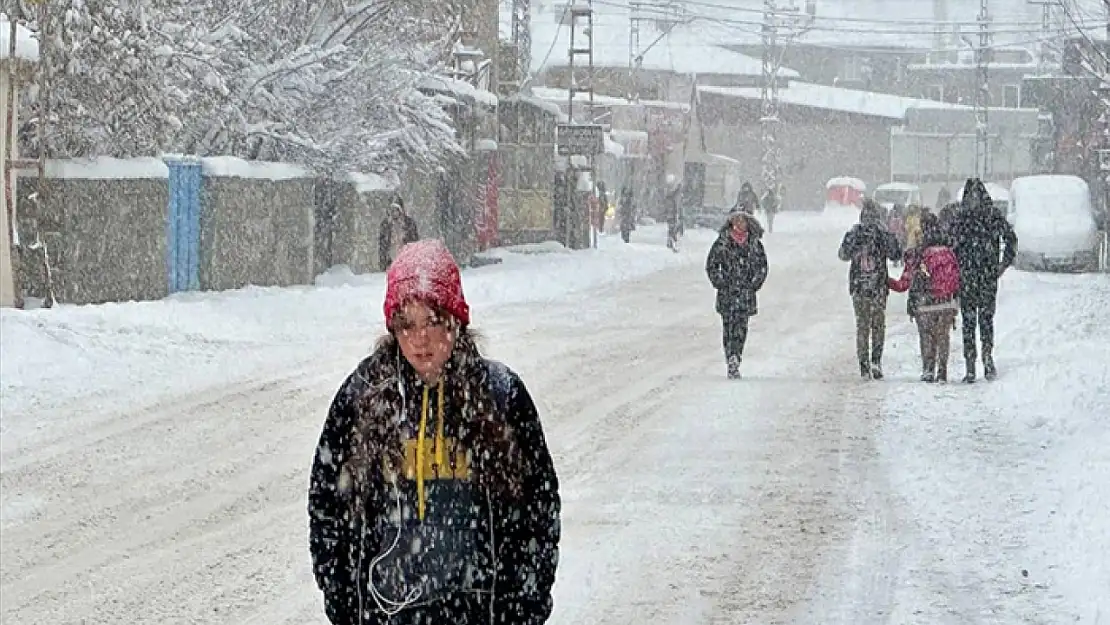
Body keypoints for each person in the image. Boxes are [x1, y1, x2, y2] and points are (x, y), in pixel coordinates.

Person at [308, 240, 561, 625]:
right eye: (406, 325)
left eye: (433, 321)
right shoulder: (361, 397)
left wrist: (526, 605)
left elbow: (538, 509)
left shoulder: (500, 396)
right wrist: (345, 604)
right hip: (387, 614)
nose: (420, 339)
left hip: (481, 614)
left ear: (456, 319)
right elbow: (328, 505)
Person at [949, 178, 1018, 382]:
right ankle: (979, 362)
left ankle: (978, 363)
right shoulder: (988, 216)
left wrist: (1000, 266)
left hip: (975, 277)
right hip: (980, 277)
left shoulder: (965, 217)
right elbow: (1011, 239)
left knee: (977, 321)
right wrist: (1001, 265)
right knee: (978, 322)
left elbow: (951, 245)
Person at [889, 213, 962, 383]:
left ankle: (928, 368)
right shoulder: (950, 251)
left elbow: (904, 284)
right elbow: (958, 277)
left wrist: (886, 282)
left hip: (925, 302)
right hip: (946, 301)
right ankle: (942, 370)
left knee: (926, 335)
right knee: (943, 336)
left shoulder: (917, 253)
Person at [838, 199, 902, 380]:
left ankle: (864, 365)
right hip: (878, 286)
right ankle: (876, 360)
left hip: (859, 286)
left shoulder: (854, 233)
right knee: (878, 325)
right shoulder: (882, 234)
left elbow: (843, 254)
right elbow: (896, 253)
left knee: (862, 326)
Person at [705, 211, 769, 379]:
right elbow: (711, 265)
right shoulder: (722, 243)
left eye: (742, 220)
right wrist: (720, 282)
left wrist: (754, 284)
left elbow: (762, 267)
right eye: (736, 220)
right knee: (728, 328)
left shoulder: (754, 244)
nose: (739, 223)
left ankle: (736, 355)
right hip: (727, 294)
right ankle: (730, 357)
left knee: (741, 328)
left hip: (745, 294)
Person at [378, 195, 419, 270]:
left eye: (396, 209)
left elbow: (415, 243)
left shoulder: (409, 223)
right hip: (391, 261)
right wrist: (383, 262)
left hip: (406, 260)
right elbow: (382, 245)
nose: (394, 212)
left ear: (400, 210)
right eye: (391, 210)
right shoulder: (385, 224)